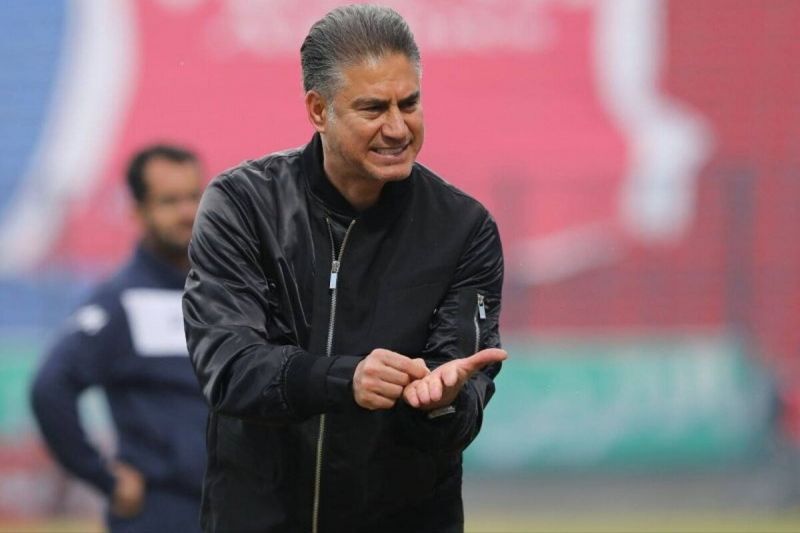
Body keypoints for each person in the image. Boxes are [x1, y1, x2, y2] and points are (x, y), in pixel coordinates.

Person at [183, 5, 506, 533]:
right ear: (318, 110)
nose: (397, 128)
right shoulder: (242, 205)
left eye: (410, 103)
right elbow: (229, 368)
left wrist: (442, 403)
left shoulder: (463, 227)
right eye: (373, 108)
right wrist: (345, 378)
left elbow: (460, 400)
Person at [30, 144, 207, 532]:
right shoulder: (121, 302)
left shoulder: (226, 294)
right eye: (169, 201)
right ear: (137, 211)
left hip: (231, 507)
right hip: (161, 512)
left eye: (194, 196)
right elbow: (50, 388)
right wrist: (102, 476)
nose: (187, 212)